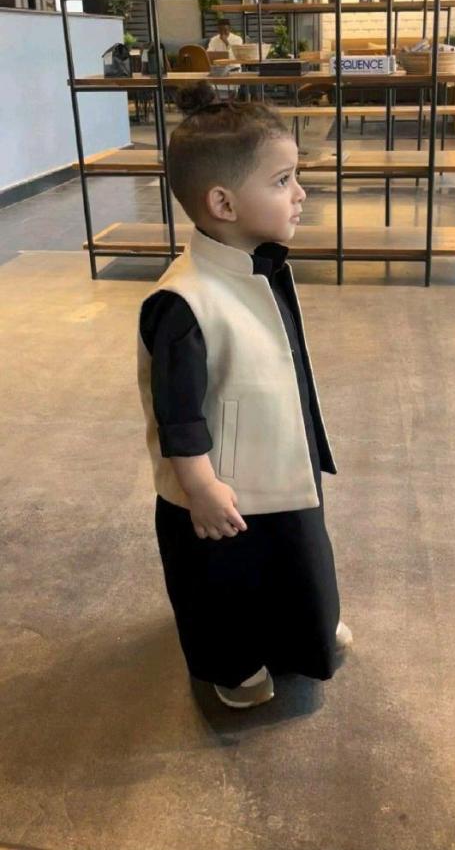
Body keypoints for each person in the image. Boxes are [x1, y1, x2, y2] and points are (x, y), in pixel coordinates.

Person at [137, 82, 352, 709]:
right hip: (221, 484)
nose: (301, 193)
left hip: (280, 456)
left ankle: (305, 634)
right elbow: (177, 412)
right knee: (225, 579)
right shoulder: (184, 301)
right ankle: (231, 665)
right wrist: (200, 486)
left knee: (297, 556)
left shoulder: (261, 265)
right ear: (223, 202)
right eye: (283, 180)